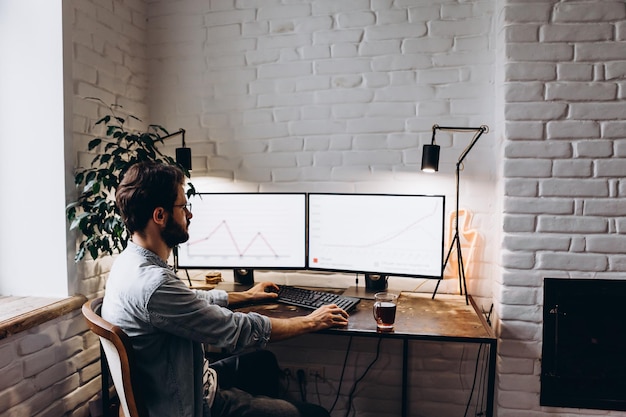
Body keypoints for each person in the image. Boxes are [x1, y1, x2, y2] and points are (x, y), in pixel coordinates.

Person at [101, 161, 349, 417]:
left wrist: (248, 295)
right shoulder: (155, 284)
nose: (189, 214)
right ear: (160, 216)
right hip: (191, 402)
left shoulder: (130, 264)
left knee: (264, 363)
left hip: (179, 381)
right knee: (316, 414)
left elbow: (190, 301)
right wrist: (310, 321)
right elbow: (237, 330)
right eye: (183, 206)